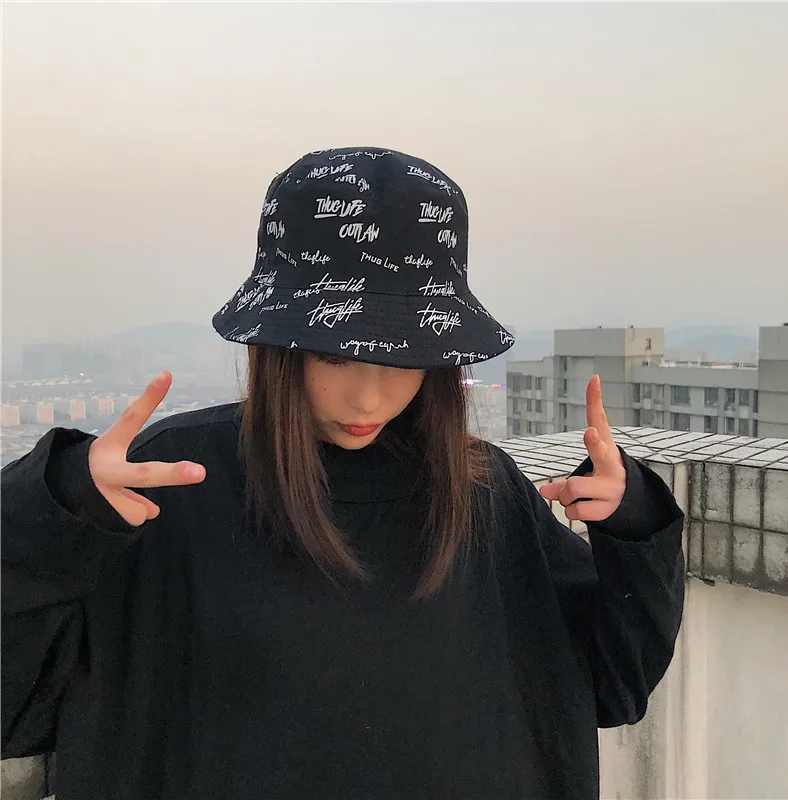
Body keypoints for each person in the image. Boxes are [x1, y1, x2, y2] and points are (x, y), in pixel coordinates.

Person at [2, 147, 685, 800]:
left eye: (404, 357)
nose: (368, 399)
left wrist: (632, 522)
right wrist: (58, 506)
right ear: (278, 349)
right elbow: (17, 698)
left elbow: (611, 681)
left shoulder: (482, 491)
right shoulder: (180, 480)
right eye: (334, 355)